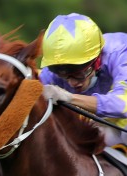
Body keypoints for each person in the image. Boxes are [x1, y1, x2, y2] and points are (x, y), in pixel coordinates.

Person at [39, 13, 127, 147]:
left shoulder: (120, 52)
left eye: (78, 74)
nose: (71, 83)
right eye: (64, 76)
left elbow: (122, 105)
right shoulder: (55, 69)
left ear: (97, 61)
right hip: (107, 124)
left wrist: (69, 98)